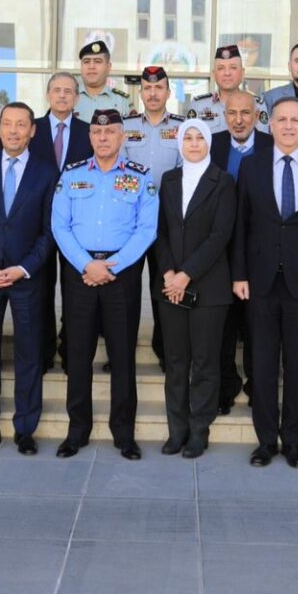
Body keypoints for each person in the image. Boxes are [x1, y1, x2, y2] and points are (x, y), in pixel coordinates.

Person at [233, 96, 298, 469]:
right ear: (271, 124)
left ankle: (292, 441)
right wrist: (239, 274)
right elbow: (241, 224)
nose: (289, 126)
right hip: (260, 283)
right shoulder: (251, 166)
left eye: (296, 120)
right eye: (282, 119)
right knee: (262, 367)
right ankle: (266, 441)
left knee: (297, 368)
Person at [50, 109, 159, 460]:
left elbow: (147, 229)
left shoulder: (140, 176)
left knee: (122, 355)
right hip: (80, 271)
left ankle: (123, 434)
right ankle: (77, 431)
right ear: (90, 137)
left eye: (110, 132)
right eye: (97, 133)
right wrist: (87, 264)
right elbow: (60, 226)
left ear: (122, 136)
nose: (103, 138)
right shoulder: (73, 174)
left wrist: (114, 265)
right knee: (77, 354)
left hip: (120, 274)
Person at [0, 102, 57, 456]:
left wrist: (24, 267)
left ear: (33, 130)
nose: (13, 131)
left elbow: (50, 230)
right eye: (7, 124)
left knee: (29, 354)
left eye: (21, 125)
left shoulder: (47, 172)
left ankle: (25, 429)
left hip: (27, 278)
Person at [154, 119, 236, 460]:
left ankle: (199, 431)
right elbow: (160, 231)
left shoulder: (223, 181)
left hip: (208, 287)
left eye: (199, 137)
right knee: (175, 362)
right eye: (187, 137)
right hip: (171, 286)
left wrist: (186, 274)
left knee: (204, 362)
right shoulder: (169, 180)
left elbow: (220, 235)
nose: (193, 143)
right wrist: (169, 273)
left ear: (208, 143)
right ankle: (177, 431)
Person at [208, 89, 272, 413]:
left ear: (257, 116)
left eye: (245, 113)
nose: (238, 120)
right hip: (219, 252)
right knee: (222, 325)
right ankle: (225, 386)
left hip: (260, 251)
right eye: (232, 113)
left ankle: (257, 386)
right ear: (224, 116)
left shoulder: (272, 146)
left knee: (257, 325)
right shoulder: (212, 145)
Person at [123, 66, 185, 371]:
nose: (153, 93)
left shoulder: (182, 128)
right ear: (141, 92)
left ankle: (165, 350)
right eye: (147, 88)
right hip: (132, 220)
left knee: (164, 287)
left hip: (168, 221)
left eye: (159, 88)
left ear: (168, 92)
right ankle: (122, 351)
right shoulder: (126, 126)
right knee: (126, 290)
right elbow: (120, 169)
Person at [31, 72, 91, 372]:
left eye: (69, 91)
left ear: (77, 97)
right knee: (40, 289)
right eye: (57, 90)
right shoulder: (33, 128)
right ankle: (43, 353)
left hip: (77, 223)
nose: (63, 95)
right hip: (37, 221)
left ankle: (71, 353)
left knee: (74, 291)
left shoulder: (89, 131)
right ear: (48, 95)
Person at [186, 44, 270, 135]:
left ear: (242, 73)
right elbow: (189, 139)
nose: (227, 73)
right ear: (214, 74)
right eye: (221, 68)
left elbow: (262, 139)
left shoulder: (256, 104)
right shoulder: (198, 105)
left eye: (233, 67)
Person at [72, 36, 132, 122]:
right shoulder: (69, 97)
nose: (91, 66)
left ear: (108, 67)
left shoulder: (122, 101)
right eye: (86, 62)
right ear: (81, 66)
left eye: (97, 61)